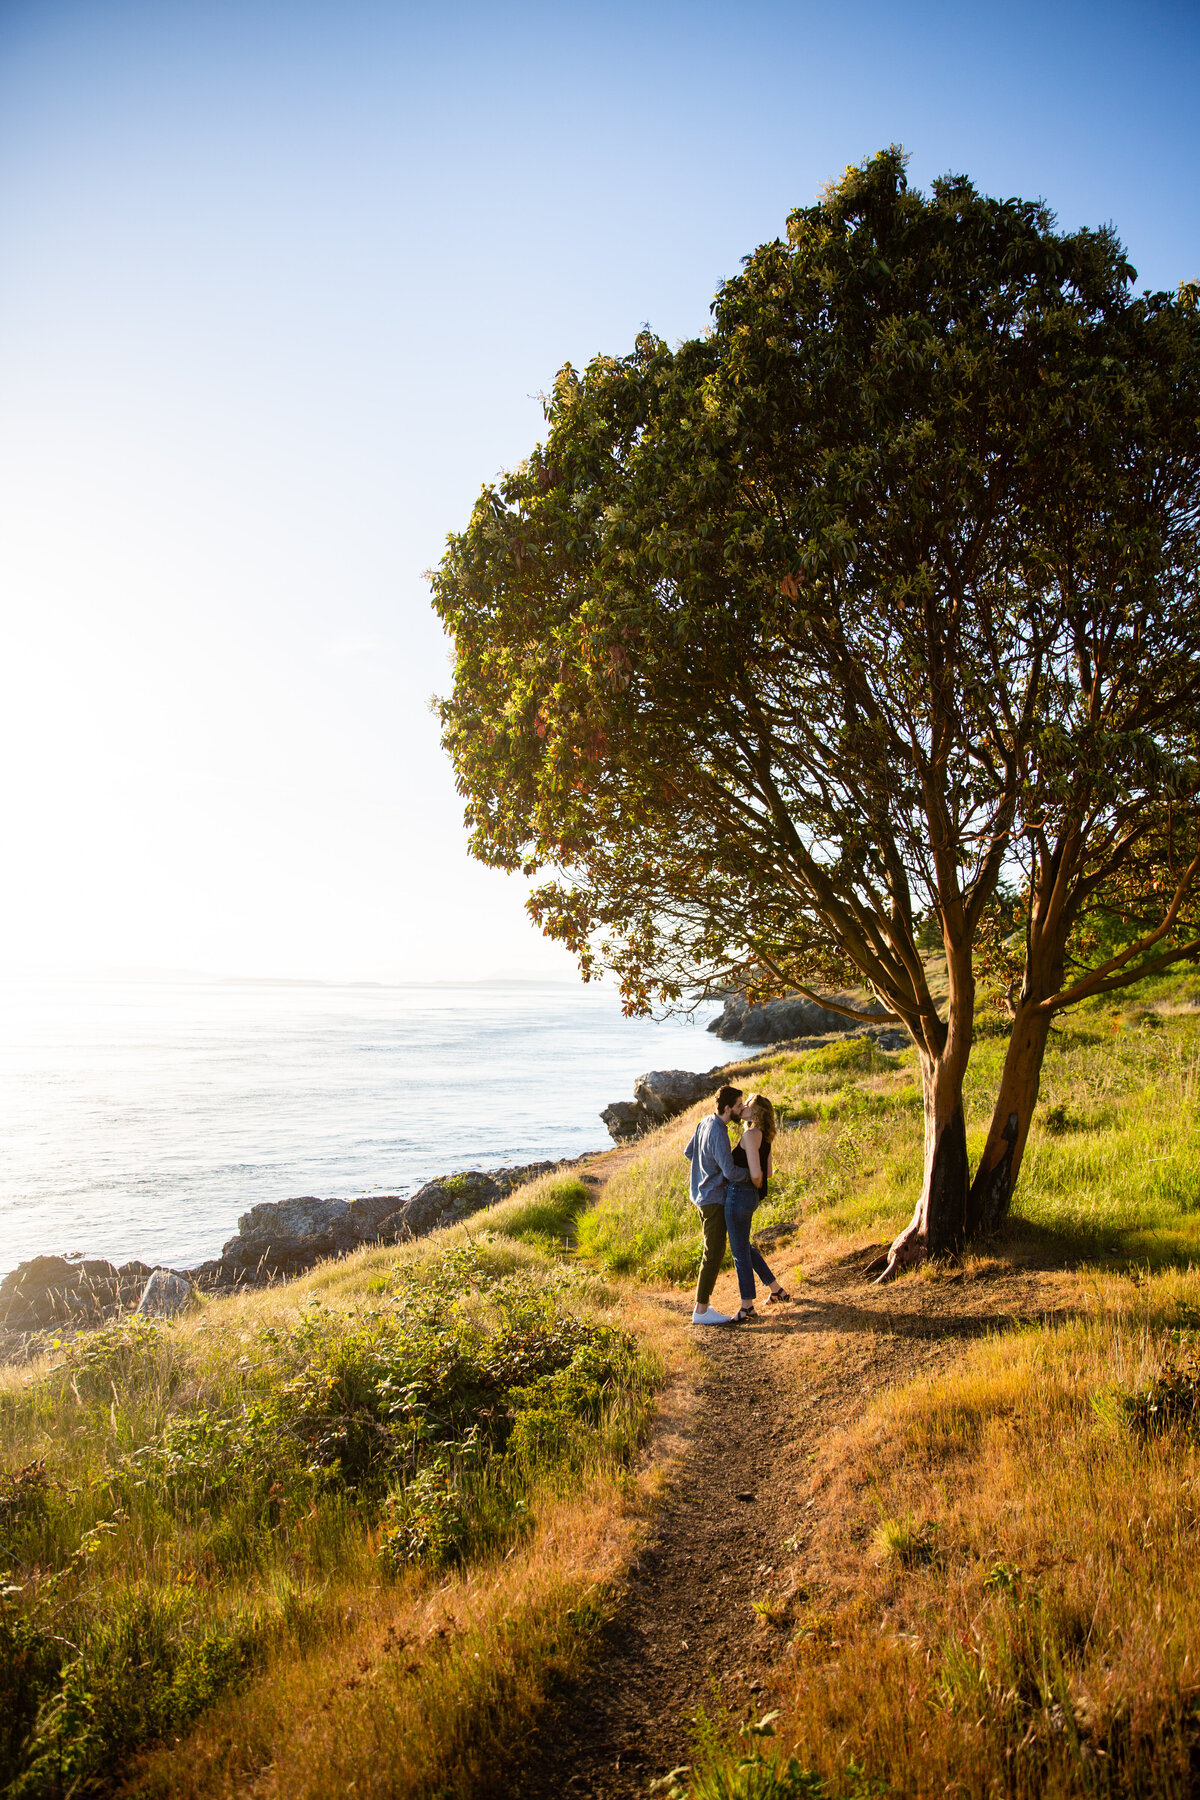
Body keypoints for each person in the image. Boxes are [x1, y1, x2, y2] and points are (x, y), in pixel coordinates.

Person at [683, 1084, 755, 1325]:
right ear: (727, 1108)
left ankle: (704, 1308)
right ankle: (701, 1311)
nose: (741, 1108)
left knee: (723, 1248)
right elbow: (730, 1171)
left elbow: (688, 1152)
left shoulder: (704, 1121)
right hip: (713, 1199)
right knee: (712, 1254)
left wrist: (704, 1169)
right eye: (738, 1106)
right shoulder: (719, 1132)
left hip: (700, 1195)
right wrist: (754, 1176)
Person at [725, 1093, 791, 1324]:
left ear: (757, 1112)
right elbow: (770, 1171)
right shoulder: (765, 1136)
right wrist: (758, 1185)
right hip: (750, 1198)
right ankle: (776, 1290)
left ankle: (747, 1307)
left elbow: (758, 1174)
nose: (743, 1107)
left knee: (739, 1253)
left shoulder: (751, 1135)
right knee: (745, 1246)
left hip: (739, 1196)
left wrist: (755, 1182)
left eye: (748, 1104)